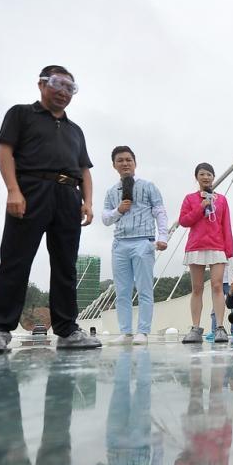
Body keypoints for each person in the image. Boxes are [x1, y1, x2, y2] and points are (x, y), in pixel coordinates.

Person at [0, 65, 101, 353]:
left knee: (66, 265)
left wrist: (88, 201)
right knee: (15, 260)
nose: (63, 92)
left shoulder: (75, 130)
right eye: (57, 84)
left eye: (70, 88)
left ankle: (68, 330)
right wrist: (13, 190)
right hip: (31, 191)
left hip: (68, 195)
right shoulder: (21, 114)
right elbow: (4, 150)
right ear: (41, 84)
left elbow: (84, 169)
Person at [102, 146, 168, 345]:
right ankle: (126, 332)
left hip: (143, 241)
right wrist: (118, 211)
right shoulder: (111, 192)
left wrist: (162, 236)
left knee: (144, 289)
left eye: (128, 160)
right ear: (114, 165)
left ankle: (143, 331)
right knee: (122, 290)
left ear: (135, 163)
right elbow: (105, 218)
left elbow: (160, 211)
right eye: (120, 160)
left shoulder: (148, 186)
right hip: (120, 243)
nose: (125, 163)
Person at [178, 163, 233, 344]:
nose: (206, 177)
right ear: (197, 177)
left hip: (217, 246)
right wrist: (201, 207)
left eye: (209, 174)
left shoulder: (222, 200)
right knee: (197, 288)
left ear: (213, 177)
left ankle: (219, 327)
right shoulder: (190, 199)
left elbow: (226, 225)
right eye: (202, 174)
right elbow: (184, 221)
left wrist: (229, 250)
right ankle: (195, 328)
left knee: (217, 286)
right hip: (196, 246)